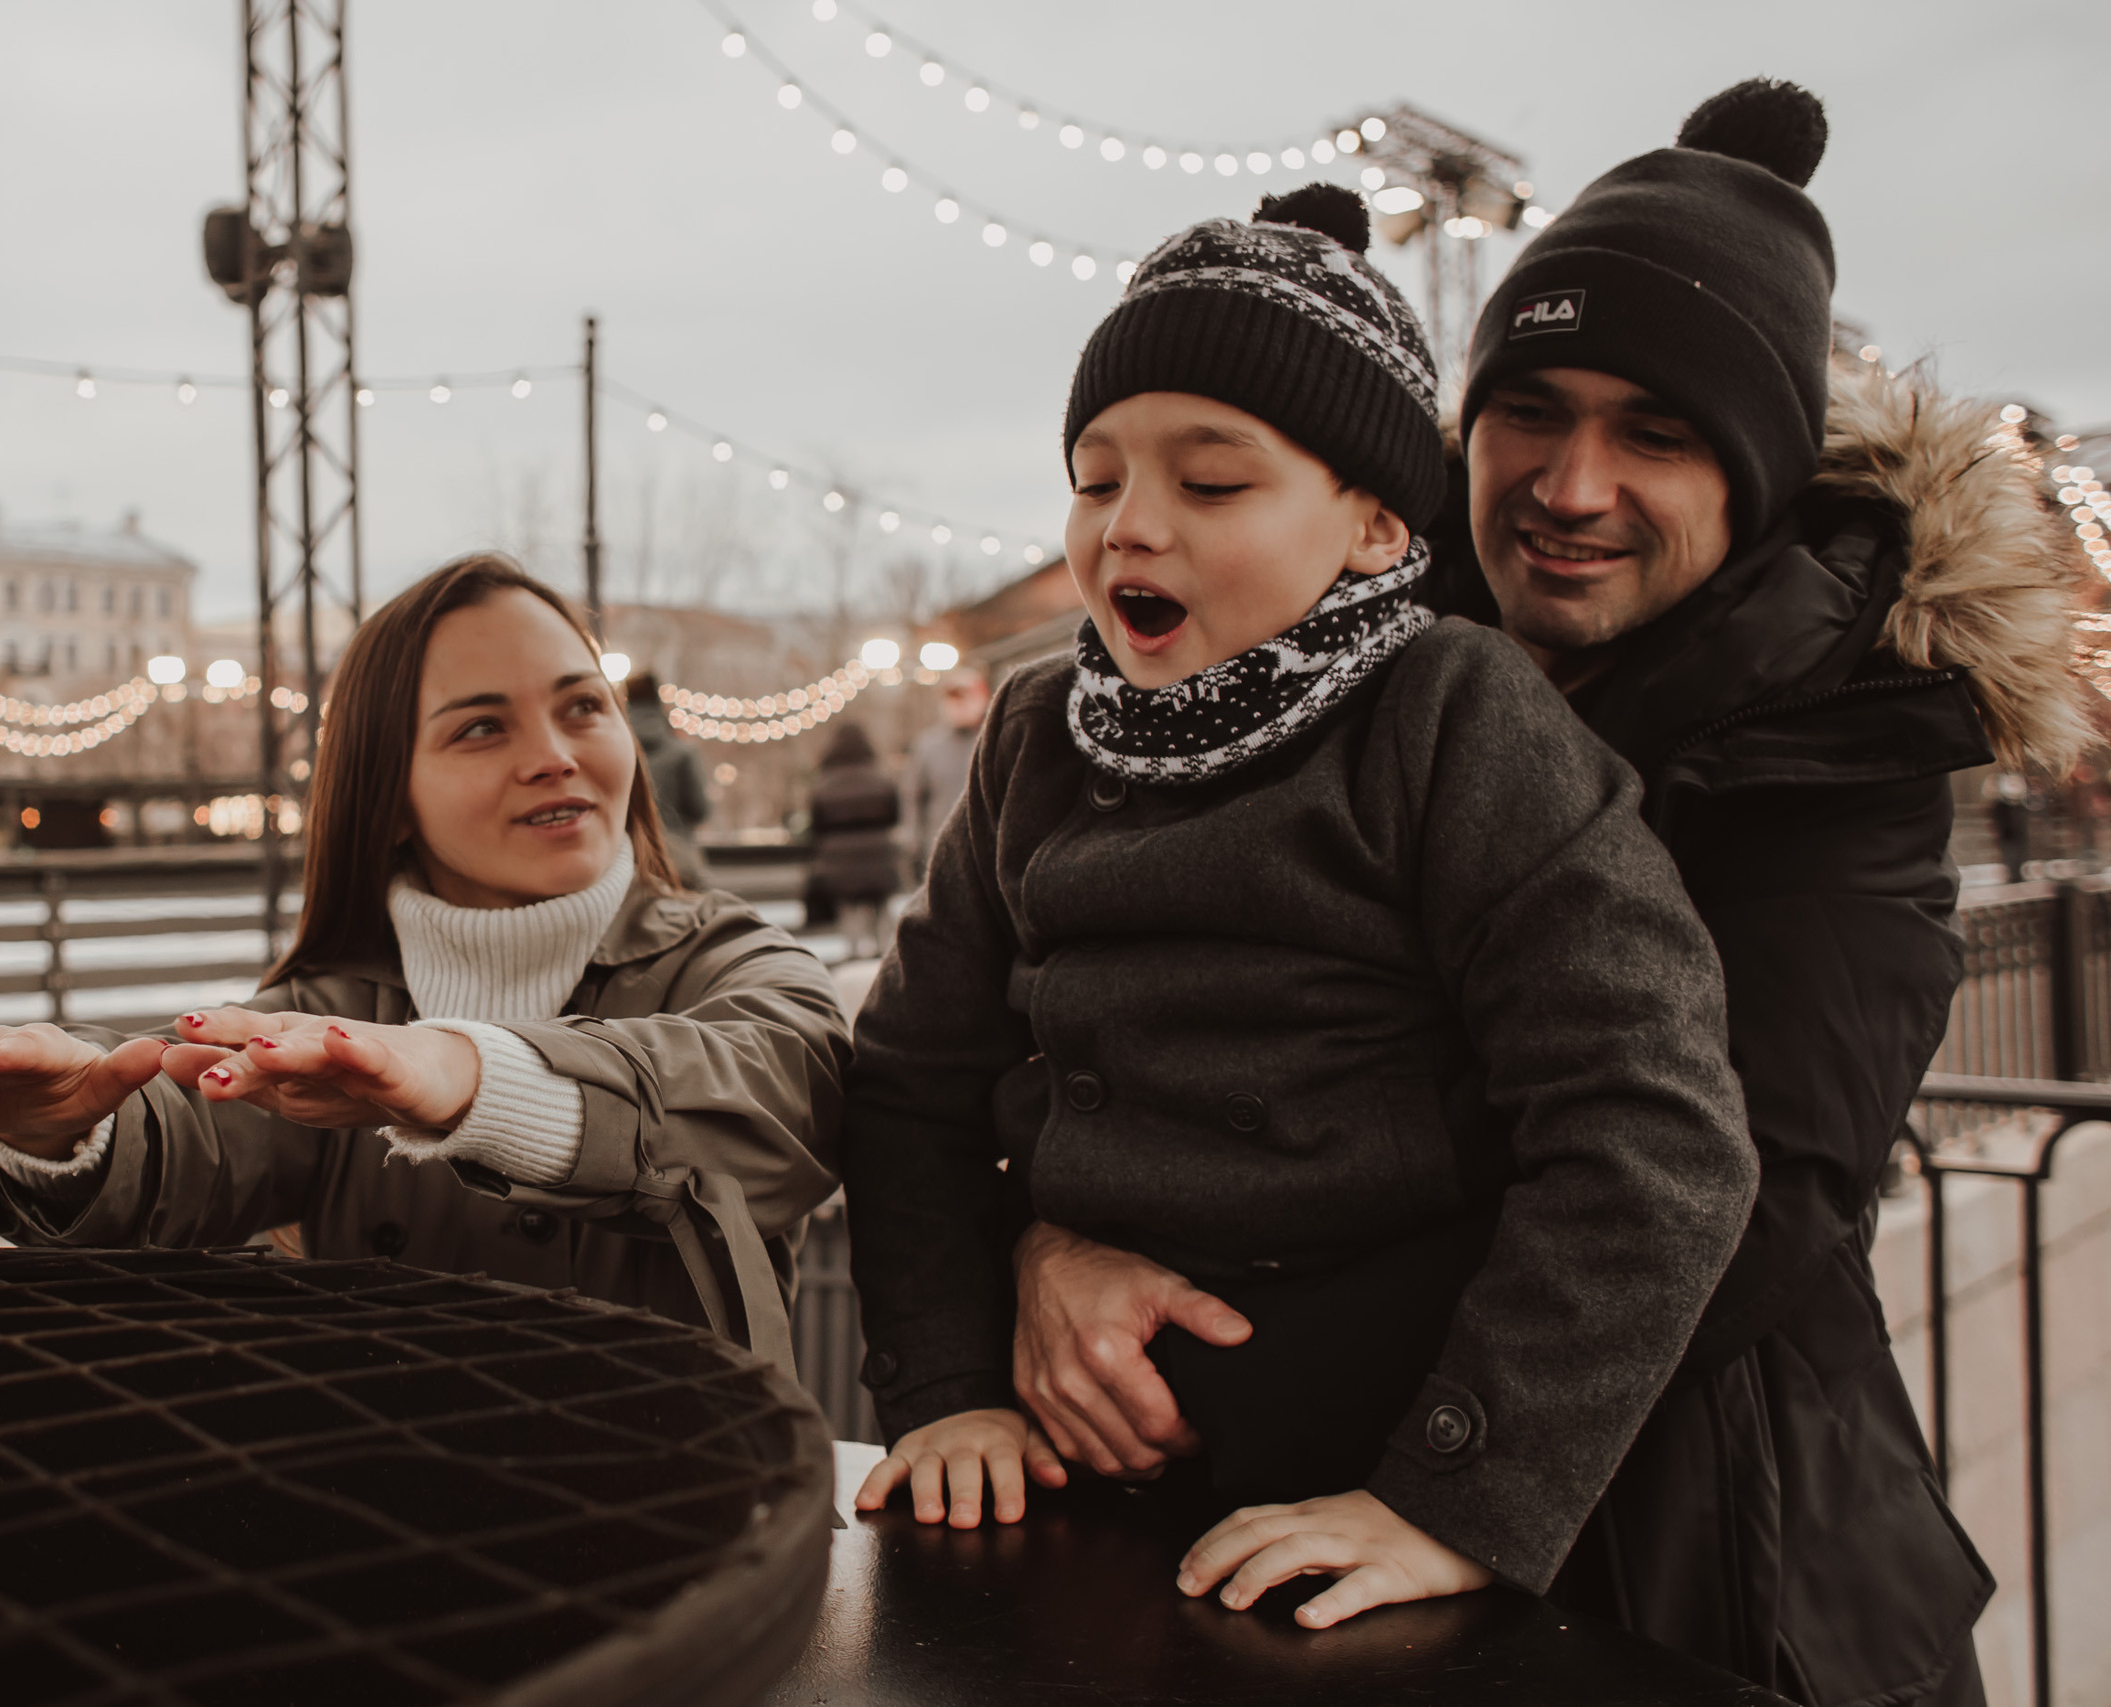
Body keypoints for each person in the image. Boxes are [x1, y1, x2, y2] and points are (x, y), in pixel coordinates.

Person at [1009, 82, 2088, 1706]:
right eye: (1533, 412)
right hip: (1301, 1532)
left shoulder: (1837, 768)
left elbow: (1743, 1208)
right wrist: (1048, 1240)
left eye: (1654, 431)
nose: (1572, 485)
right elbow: (1069, 1007)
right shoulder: (1320, 679)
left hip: (1691, 1561)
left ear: (1758, 471)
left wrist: (1276, 1375)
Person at [840, 186, 1758, 1631]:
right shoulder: (1037, 736)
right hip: (1081, 1469)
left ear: (1377, 519)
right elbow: (908, 1081)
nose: (1131, 526)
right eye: (1093, 478)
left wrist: (1450, 1493)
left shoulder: (1453, 714)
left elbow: (1647, 1125)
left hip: (1366, 1484)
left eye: (1211, 486)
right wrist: (949, 1386)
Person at [0, 553, 847, 1368]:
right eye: (482, 727)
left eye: (582, 706)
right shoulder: (329, 1006)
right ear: (386, 795)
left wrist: (468, 1076)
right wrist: (67, 1135)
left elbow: (781, 1098)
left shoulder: (734, 964)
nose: (556, 753)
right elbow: (189, 1134)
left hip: (691, 1538)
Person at [806, 723, 901, 961]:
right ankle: (883, 951)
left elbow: (816, 824)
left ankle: (853, 950)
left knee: (849, 908)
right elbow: (894, 814)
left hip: (839, 856)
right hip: (878, 852)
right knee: (880, 906)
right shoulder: (880, 778)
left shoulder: (824, 783)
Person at [901, 666, 990, 878]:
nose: (957, 706)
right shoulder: (928, 746)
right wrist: (912, 843)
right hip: (940, 849)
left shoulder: (993, 742)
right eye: (952, 700)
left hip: (986, 847)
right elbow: (912, 796)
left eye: (965, 698)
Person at [625, 669, 711, 888]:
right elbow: (700, 809)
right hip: (677, 860)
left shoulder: (617, 752)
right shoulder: (681, 753)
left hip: (627, 864)